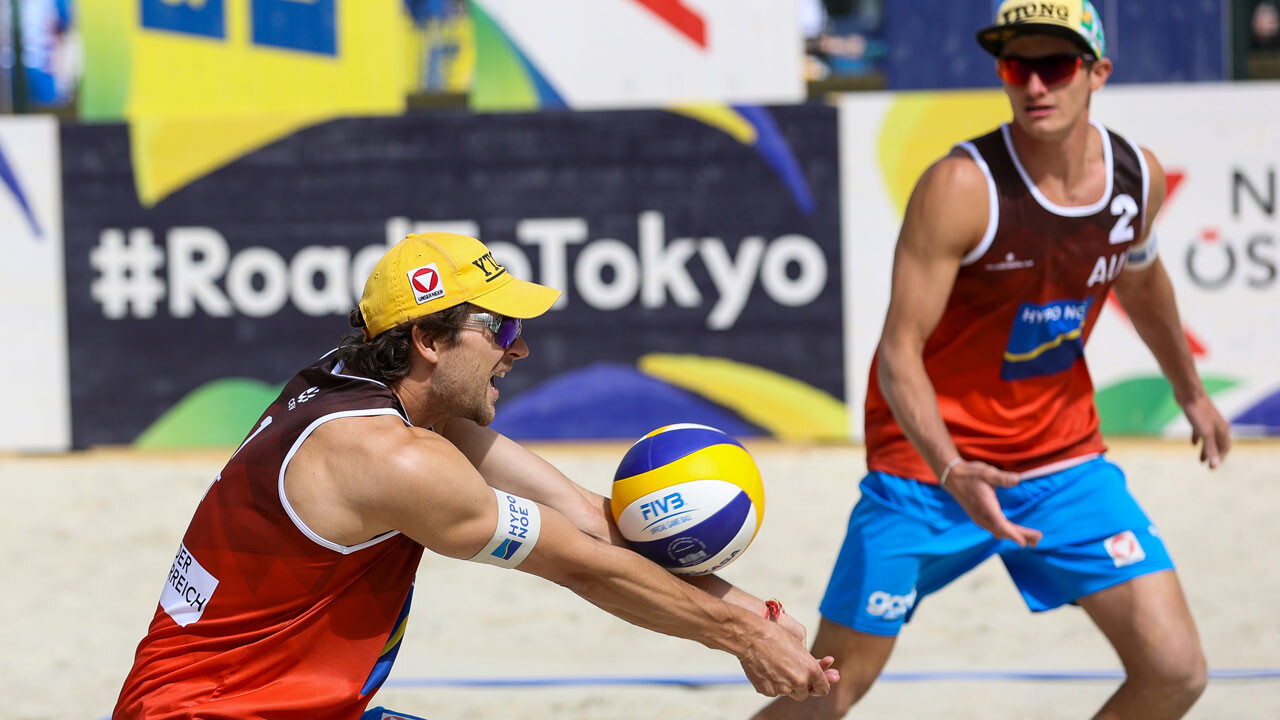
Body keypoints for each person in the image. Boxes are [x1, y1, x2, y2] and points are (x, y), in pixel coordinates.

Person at [113, 232, 839, 719]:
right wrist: (742, 640)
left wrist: (761, 616)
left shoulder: (380, 399)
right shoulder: (395, 461)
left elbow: (588, 516)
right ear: (427, 340)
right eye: (501, 331)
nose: (517, 352)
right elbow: (583, 568)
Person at [753, 1, 1232, 718]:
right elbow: (898, 353)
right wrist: (950, 467)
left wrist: (1189, 391)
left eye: (1055, 65)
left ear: (1097, 73)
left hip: (1062, 462)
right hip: (928, 472)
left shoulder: (1136, 176)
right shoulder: (961, 187)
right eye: (1017, 66)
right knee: (828, 691)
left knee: (1175, 671)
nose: (1035, 85)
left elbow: (1140, 278)